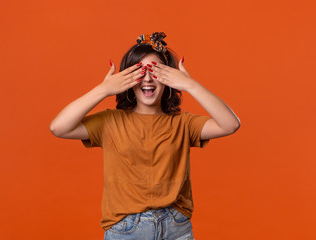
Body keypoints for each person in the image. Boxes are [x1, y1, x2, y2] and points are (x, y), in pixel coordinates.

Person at [50, 32, 241, 240]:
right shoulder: (110, 121)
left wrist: (190, 84)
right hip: (125, 230)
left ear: (169, 79)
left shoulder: (183, 123)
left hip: (176, 227)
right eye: (139, 72)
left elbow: (230, 124)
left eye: (155, 72)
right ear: (127, 79)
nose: (148, 79)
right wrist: (103, 90)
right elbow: (59, 127)